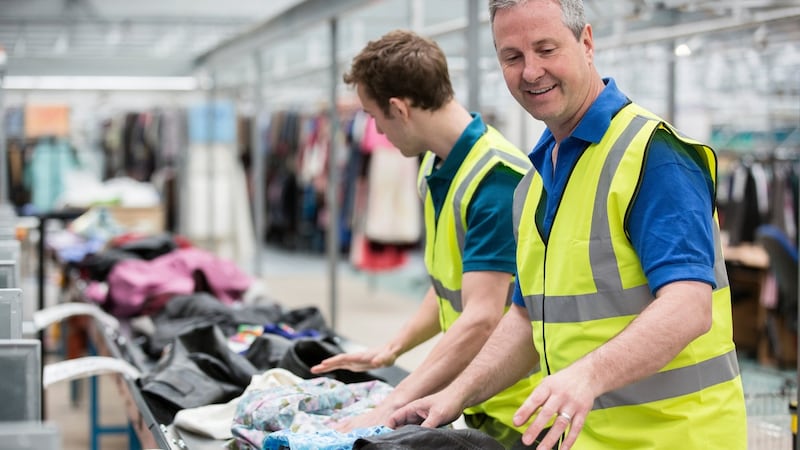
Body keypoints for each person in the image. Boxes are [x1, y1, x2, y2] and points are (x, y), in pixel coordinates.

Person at [388, 1, 748, 449]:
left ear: (587, 43)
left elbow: (688, 306)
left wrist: (587, 375)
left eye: (546, 49)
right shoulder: (535, 182)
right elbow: (525, 320)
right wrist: (453, 396)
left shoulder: (653, 156)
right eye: (512, 57)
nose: (531, 71)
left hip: (676, 439)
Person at [309, 29, 539, 446]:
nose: (377, 131)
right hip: (480, 399)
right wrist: (392, 348)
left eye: (374, 116)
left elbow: (482, 317)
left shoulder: (496, 181)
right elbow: (451, 286)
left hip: (522, 411)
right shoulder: (438, 166)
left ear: (399, 109)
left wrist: (389, 406)